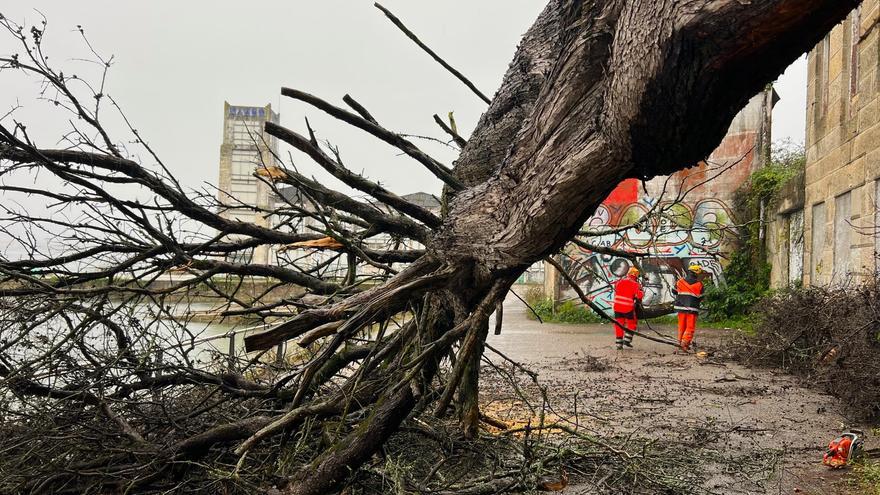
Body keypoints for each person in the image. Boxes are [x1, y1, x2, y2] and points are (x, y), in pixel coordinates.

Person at [673, 264, 704, 351]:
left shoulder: (680, 281)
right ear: (696, 273)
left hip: (680, 308)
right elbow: (701, 297)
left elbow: (674, 291)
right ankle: (684, 344)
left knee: (681, 327)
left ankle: (680, 343)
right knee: (690, 328)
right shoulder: (699, 284)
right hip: (692, 309)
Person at [612, 266, 644, 350]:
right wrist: (641, 290)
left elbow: (616, 292)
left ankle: (619, 344)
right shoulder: (635, 284)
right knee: (632, 322)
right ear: (636, 276)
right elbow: (639, 296)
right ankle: (627, 339)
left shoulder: (619, 281)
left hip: (617, 306)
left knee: (619, 324)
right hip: (627, 307)